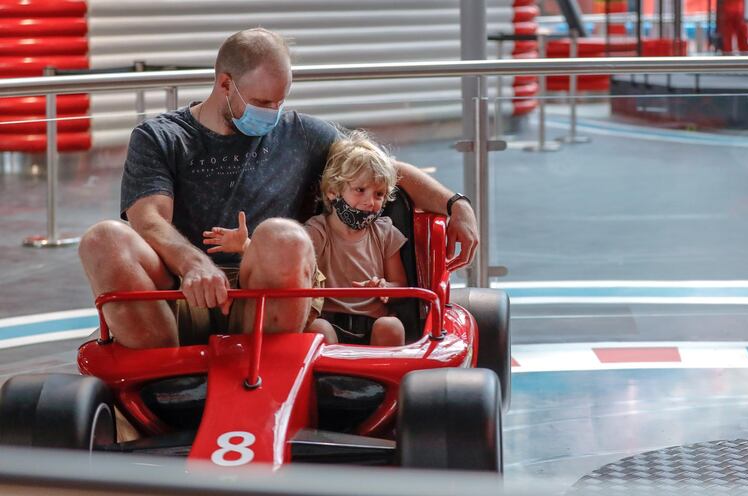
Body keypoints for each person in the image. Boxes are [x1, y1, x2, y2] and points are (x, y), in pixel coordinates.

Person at [78, 27, 479, 350]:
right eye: (261, 102)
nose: (272, 113)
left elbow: (383, 171)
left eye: (279, 102)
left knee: (283, 234)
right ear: (224, 85)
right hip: (184, 292)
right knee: (103, 239)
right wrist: (193, 264)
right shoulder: (160, 137)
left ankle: (270, 367)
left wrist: (455, 204)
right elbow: (147, 219)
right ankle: (163, 385)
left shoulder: (301, 134)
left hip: (267, 296)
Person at [205, 130, 407, 346]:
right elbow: (292, 264)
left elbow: (402, 286)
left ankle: (383, 378)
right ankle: (327, 379)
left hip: (374, 321)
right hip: (329, 320)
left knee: (392, 326)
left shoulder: (385, 232)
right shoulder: (317, 230)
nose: (370, 202)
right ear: (332, 192)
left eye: (379, 194)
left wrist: (385, 287)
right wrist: (246, 245)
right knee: (318, 329)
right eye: (360, 190)